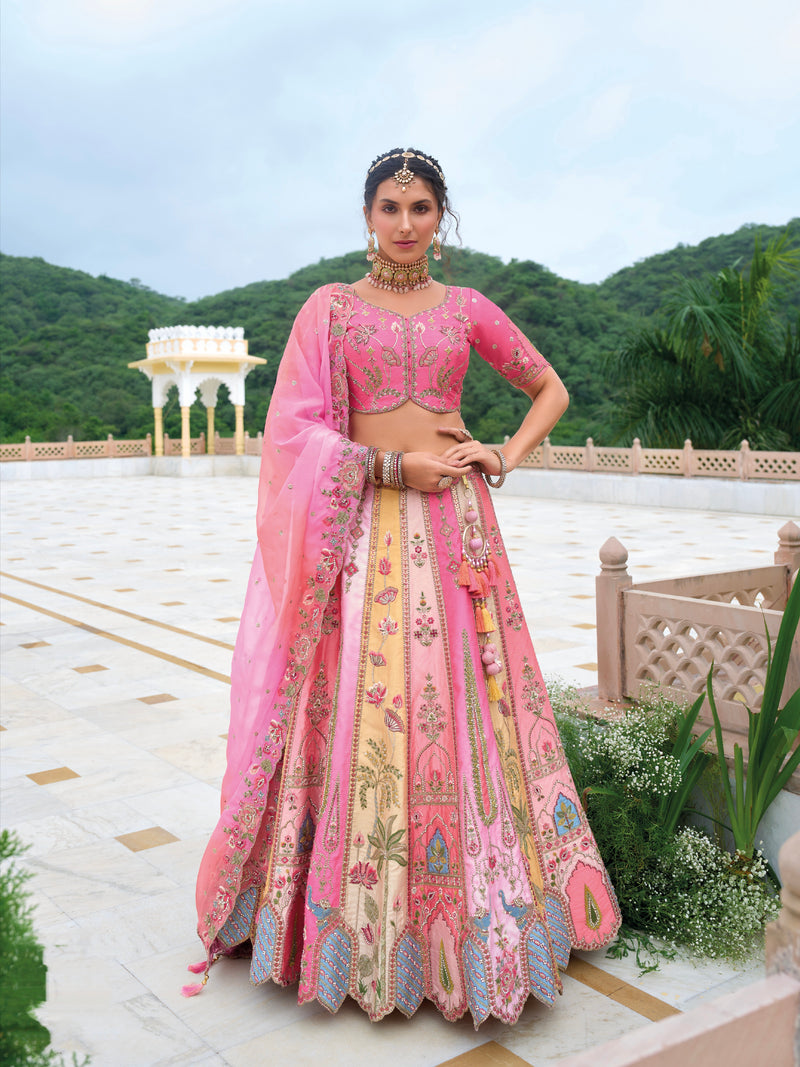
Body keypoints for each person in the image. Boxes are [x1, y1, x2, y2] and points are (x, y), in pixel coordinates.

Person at [189, 148, 620, 1026]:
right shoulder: (332, 311)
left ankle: (479, 922)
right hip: (370, 532)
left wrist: (500, 454)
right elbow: (292, 434)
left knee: (468, 708)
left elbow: (549, 387)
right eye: (391, 205)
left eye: (422, 206)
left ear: (441, 216)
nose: (406, 222)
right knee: (364, 709)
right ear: (367, 214)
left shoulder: (467, 310)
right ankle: (352, 922)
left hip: (459, 528)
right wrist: (391, 463)